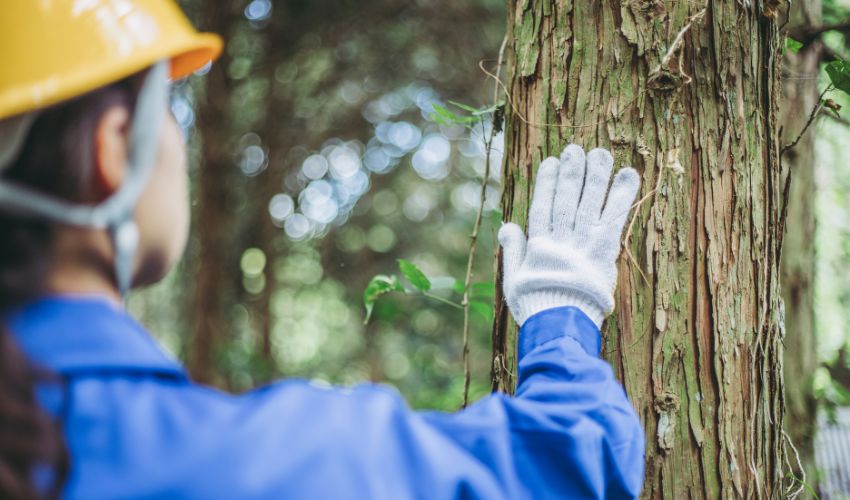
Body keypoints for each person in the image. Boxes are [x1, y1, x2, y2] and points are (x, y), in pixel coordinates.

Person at [0, 1, 645, 498]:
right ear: (113, 149)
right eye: (166, 103)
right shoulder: (266, 466)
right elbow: (570, 456)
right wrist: (562, 311)